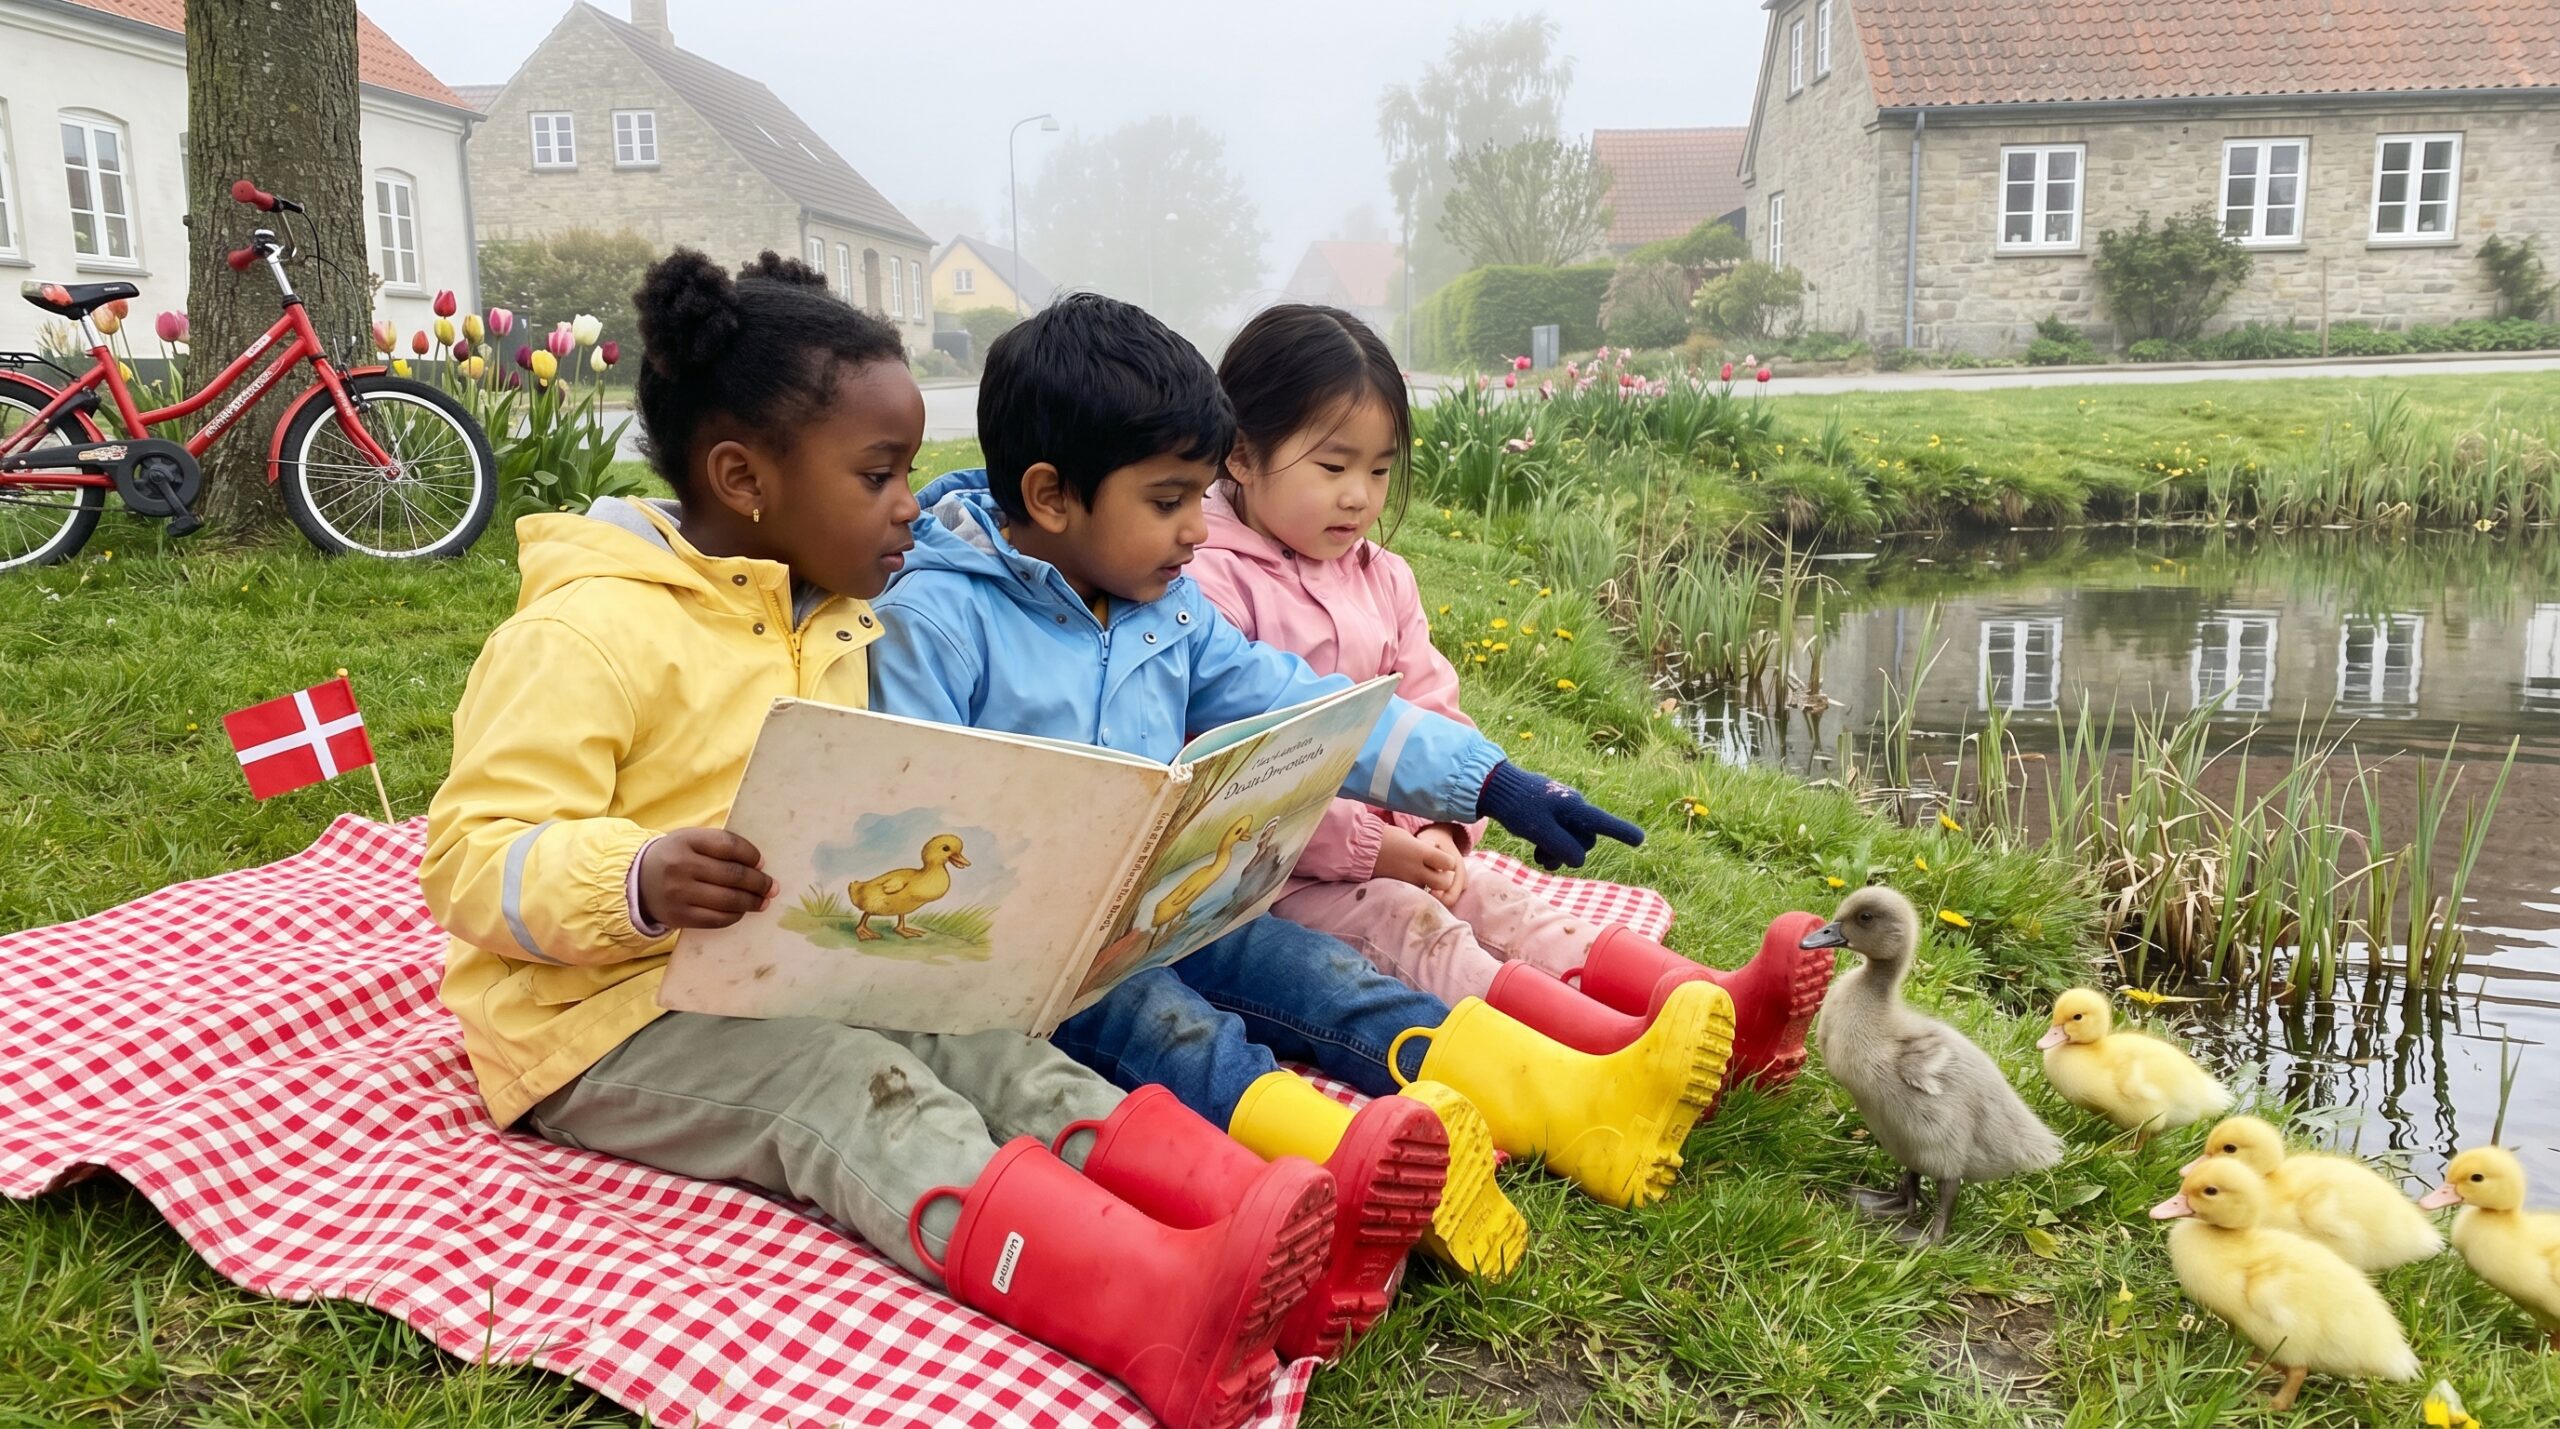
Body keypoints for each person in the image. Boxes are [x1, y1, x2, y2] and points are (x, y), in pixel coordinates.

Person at [420, 251, 1335, 1429]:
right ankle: (1151, 1302)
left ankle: (1250, 1220)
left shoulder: (834, 614)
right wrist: (638, 877)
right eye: (879, 473)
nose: (914, 499)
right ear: (743, 476)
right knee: (861, 1090)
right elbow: (468, 855)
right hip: (603, 1018)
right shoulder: (586, 633)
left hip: (787, 969)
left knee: (998, 1048)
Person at [867, 293, 1741, 1317]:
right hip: (1038, 963)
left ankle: (1575, 1104)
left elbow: (1309, 710)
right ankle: (1357, 1170)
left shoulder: (1167, 608)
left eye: (1200, 494)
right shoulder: (936, 618)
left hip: (1163, 907)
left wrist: (1491, 781)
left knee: (1325, 976)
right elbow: (907, 806)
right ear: (1052, 496)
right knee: (1174, 1035)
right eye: (1166, 499)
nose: (1197, 528)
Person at [1188, 304, 1836, 1089]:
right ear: (1243, 457)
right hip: (1281, 884)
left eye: (1381, 469)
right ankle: (1618, 1053)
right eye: (1333, 467)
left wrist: (1441, 827)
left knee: (1511, 906)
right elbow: (1253, 774)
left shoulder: (1382, 575)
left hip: (1409, 849)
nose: (1360, 496)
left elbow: (1432, 704)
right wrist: (1379, 850)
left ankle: (1723, 1008)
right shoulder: (1210, 586)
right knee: (1424, 934)